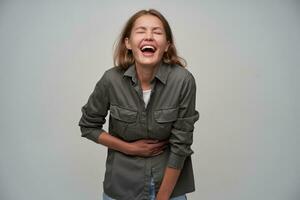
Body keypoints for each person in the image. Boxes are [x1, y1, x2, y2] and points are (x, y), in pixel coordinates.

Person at [79, 9, 199, 200]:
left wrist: (162, 197)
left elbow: (181, 145)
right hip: (121, 188)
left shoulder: (183, 80)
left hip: (169, 190)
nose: (149, 36)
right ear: (128, 43)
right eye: (141, 31)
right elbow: (87, 126)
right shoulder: (111, 80)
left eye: (157, 32)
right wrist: (129, 148)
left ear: (167, 45)